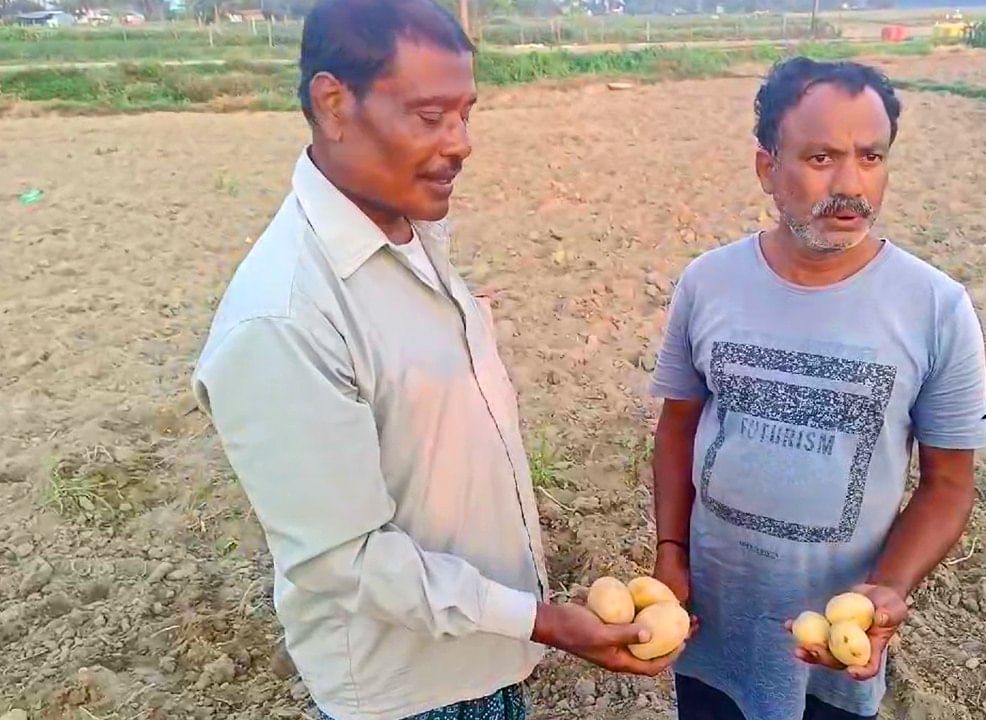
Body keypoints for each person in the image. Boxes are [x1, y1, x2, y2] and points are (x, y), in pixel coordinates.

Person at [191, 1, 681, 718]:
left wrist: (525, 614)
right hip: (412, 695)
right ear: (334, 104)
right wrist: (542, 621)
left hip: (484, 653)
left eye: (466, 114)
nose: (461, 143)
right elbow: (345, 559)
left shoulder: (408, 237)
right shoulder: (284, 320)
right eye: (430, 117)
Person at [648, 57, 986, 720]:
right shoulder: (708, 283)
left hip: (837, 646)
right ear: (766, 168)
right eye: (820, 157)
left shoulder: (935, 307)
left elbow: (948, 484)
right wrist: (670, 553)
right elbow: (677, 428)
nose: (849, 185)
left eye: (871, 157)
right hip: (711, 624)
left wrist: (886, 591)